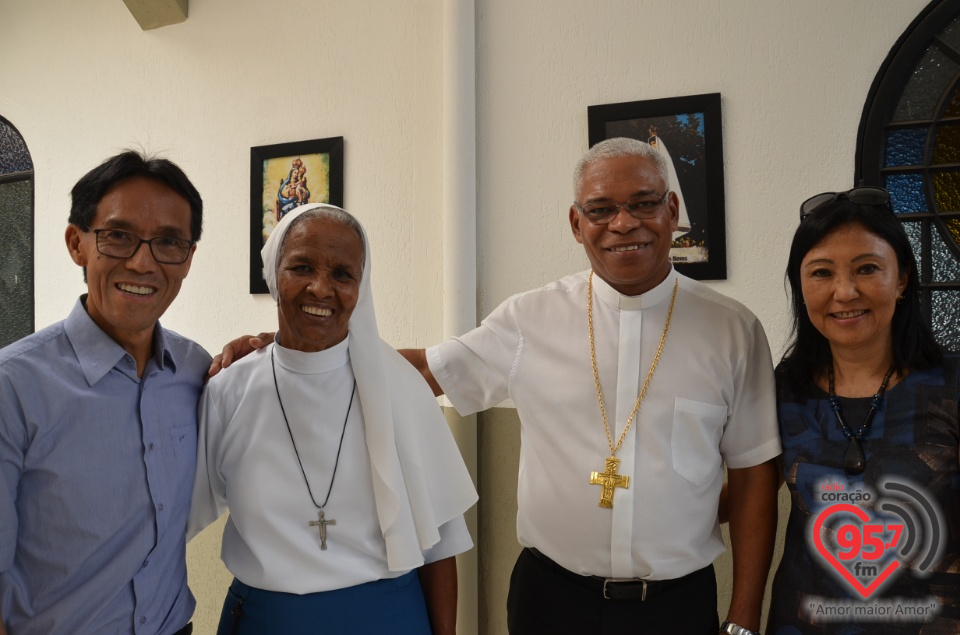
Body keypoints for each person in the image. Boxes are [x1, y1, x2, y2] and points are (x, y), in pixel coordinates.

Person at [215, 138, 781, 634]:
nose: (623, 224)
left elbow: (756, 477)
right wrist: (293, 343)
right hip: (553, 600)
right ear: (576, 222)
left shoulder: (732, 330)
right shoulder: (529, 318)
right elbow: (423, 370)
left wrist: (743, 620)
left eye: (643, 204)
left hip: (675, 605)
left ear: (673, 209)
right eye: (601, 209)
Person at [189, 204, 477, 635]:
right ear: (273, 274)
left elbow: (441, 545)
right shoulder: (229, 390)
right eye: (301, 267)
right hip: (268, 621)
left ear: (361, 286)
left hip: (386, 617)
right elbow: (176, 520)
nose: (321, 289)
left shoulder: (400, 386)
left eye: (343, 274)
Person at [0, 151, 209, 635]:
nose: (142, 262)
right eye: (118, 236)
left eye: (168, 243)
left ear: (188, 258)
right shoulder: (14, 387)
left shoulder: (196, 371)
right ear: (77, 243)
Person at [764, 188, 959, 634]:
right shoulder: (782, 389)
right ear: (801, 285)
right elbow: (739, 499)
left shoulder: (950, 384)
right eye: (821, 272)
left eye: (867, 269)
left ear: (902, 278)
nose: (845, 292)